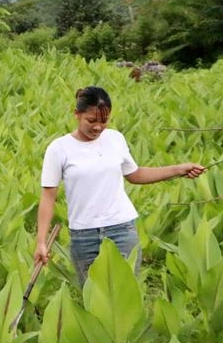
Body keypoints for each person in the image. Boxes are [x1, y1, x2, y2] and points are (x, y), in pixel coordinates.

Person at [35, 86, 205, 285]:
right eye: (91, 120)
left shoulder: (115, 139)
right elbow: (48, 196)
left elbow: (135, 174)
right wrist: (41, 241)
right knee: (93, 300)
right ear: (77, 114)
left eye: (104, 121)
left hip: (122, 230)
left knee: (126, 297)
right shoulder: (59, 149)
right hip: (83, 236)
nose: (98, 127)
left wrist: (179, 169)